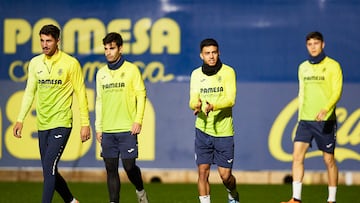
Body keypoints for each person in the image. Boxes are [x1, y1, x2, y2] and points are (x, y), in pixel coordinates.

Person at [13, 24, 91, 203]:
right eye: (42, 40)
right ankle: (71, 201)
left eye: (48, 41)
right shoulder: (35, 63)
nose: (44, 44)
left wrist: (85, 124)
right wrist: (20, 119)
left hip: (62, 123)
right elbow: (29, 92)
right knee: (50, 169)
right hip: (42, 124)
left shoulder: (71, 64)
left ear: (58, 41)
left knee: (49, 167)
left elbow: (81, 94)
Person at [281, 31, 343, 203]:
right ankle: (296, 198)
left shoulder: (333, 66)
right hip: (305, 121)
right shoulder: (303, 67)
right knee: (297, 156)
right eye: (309, 44)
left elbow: (337, 91)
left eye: (316, 43)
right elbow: (302, 93)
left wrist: (326, 108)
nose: (313, 47)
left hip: (325, 120)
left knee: (328, 159)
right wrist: (300, 116)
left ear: (323, 44)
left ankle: (331, 199)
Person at [95, 32, 149, 203]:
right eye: (105, 49)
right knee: (111, 169)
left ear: (120, 48)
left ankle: (140, 191)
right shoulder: (101, 74)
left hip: (127, 129)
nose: (108, 52)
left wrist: (138, 120)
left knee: (129, 167)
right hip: (108, 130)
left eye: (111, 48)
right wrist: (98, 126)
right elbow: (99, 101)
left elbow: (141, 95)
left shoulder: (132, 70)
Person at [189, 38, 240, 203]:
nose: (211, 56)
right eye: (207, 53)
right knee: (202, 172)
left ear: (218, 53)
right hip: (203, 130)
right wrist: (195, 105)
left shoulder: (228, 72)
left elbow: (231, 100)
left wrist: (214, 106)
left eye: (214, 52)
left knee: (225, 176)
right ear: (201, 55)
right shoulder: (196, 74)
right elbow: (192, 99)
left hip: (224, 132)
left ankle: (232, 193)